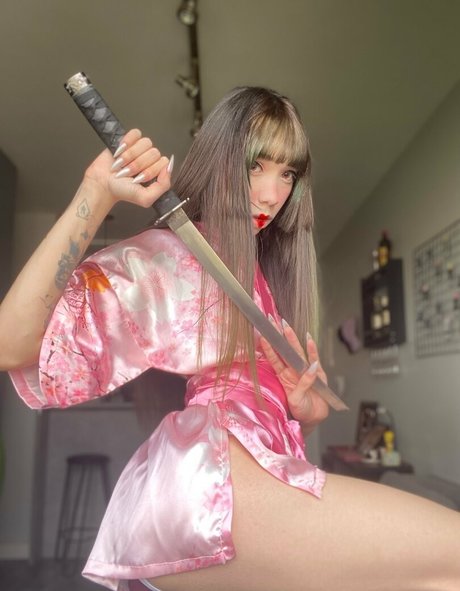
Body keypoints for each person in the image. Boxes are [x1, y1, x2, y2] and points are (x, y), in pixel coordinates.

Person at [0, 87, 459, 591]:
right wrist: (97, 191)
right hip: (214, 486)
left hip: (256, 478)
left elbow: (268, 420)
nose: (272, 193)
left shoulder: (260, 280)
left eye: (288, 173)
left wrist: (304, 414)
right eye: (255, 166)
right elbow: (9, 343)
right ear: (221, 163)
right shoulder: (180, 257)